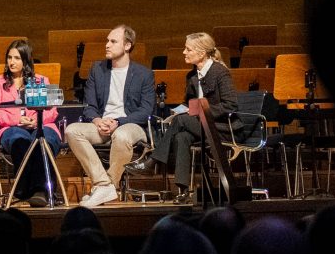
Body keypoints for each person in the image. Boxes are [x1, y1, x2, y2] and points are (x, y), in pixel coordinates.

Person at [64, 24, 155, 209]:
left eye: (113, 41)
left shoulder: (144, 74)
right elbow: (89, 106)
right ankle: (103, 184)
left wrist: (118, 122)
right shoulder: (97, 69)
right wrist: (98, 120)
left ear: (127, 45)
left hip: (131, 124)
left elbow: (146, 111)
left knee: (121, 135)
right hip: (103, 124)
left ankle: (109, 184)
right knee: (72, 131)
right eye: (107, 41)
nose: (107, 45)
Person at [150, 31, 237, 204]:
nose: (184, 52)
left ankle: (153, 161)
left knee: (181, 120)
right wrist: (179, 111)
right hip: (201, 127)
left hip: (222, 129)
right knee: (182, 136)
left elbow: (230, 105)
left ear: (202, 53)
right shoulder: (192, 76)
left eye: (188, 49)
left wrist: (201, 111)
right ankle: (183, 191)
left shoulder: (220, 72)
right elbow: (188, 103)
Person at [0, 37, 64, 204]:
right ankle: (24, 189)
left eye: (17, 58)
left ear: (26, 60)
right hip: (11, 127)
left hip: (41, 124)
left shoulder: (42, 81)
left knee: (43, 139)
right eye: (9, 57)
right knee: (19, 139)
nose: (11, 62)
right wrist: (16, 119)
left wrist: (36, 120)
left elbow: (52, 110)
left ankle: (42, 190)